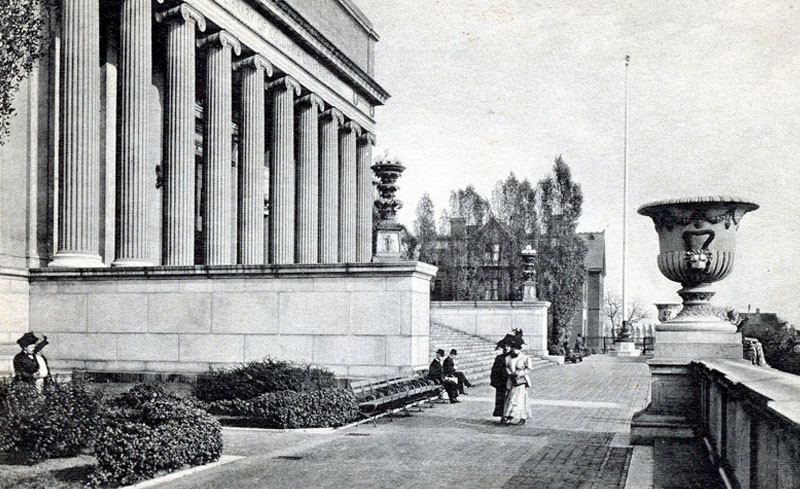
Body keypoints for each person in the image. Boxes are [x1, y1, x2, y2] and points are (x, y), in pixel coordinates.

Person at [502, 338, 533, 425]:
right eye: (513, 348)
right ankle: (516, 416)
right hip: (511, 380)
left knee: (516, 398)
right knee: (512, 397)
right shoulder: (508, 358)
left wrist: (520, 373)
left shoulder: (525, 358)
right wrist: (510, 373)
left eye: (517, 348)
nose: (514, 350)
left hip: (520, 381)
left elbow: (529, 369)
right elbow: (507, 367)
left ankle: (512, 416)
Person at [490, 339, 511, 420]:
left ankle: (509, 415)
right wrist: (494, 381)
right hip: (501, 382)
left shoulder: (511, 357)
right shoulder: (499, 358)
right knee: (500, 399)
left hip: (509, 381)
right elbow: (494, 370)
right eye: (504, 347)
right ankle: (502, 416)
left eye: (508, 346)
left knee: (509, 399)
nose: (506, 348)